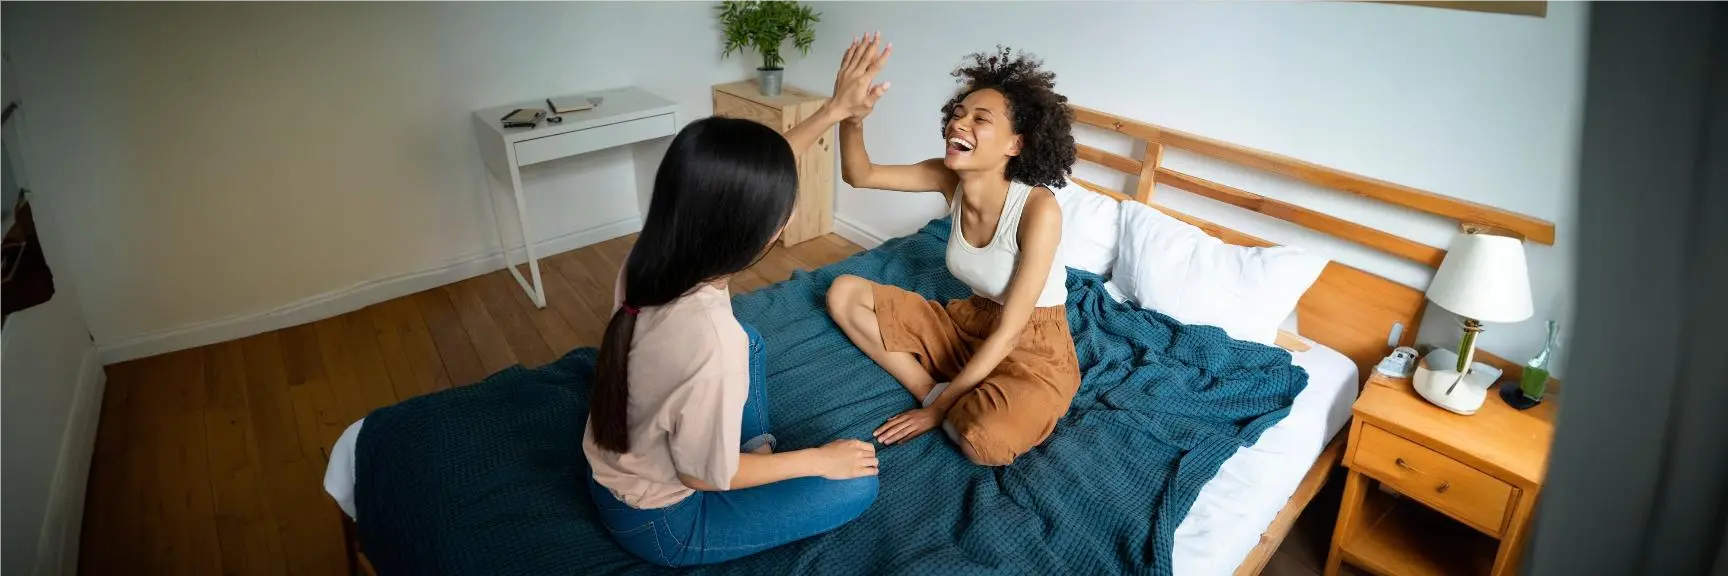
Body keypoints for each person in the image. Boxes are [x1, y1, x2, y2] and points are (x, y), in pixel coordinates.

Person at [583, 72, 887, 565]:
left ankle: (751, 457)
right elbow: (698, 478)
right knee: (857, 485)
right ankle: (750, 464)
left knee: (752, 343)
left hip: (613, 464)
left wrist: (834, 111)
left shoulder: (653, 251)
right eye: (785, 212)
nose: (788, 216)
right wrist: (818, 460)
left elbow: (742, 180)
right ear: (758, 234)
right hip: (660, 520)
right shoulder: (709, 341)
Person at [825, 37, 1082, 467]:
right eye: (958, 114)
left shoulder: (1039, 208)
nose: (959, 124)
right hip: (973, 322)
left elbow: (1011, 329)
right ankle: (933, 386)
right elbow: (859, 173)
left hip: (1032, 345)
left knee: (983, 443)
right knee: (843, 293)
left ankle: (954, 398)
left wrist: (935, 415)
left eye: (980, 119)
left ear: (1014, 144)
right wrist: (852, 117)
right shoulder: (949, 180)